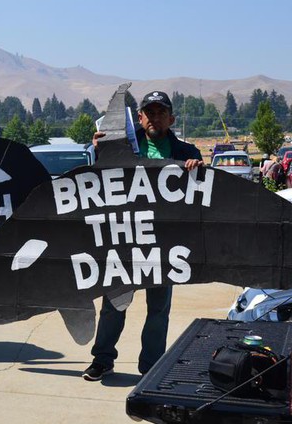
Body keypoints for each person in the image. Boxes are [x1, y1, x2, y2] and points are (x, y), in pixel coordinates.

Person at [83, 91, 203, 381]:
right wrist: (100, 151)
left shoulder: (187, 153)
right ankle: (102, 360)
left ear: (171, 118)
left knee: (159, 309)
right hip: (125, 240)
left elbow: (201, 195)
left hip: (164, 245)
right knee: (114, 304)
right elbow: (96, 182)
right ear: (139, 117)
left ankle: (151, 367)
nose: (154, 117)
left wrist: (199, 172)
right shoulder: (121, 146)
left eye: (161, 112)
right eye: (149, 112)